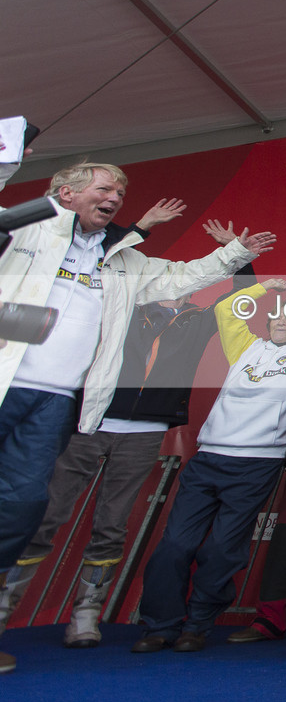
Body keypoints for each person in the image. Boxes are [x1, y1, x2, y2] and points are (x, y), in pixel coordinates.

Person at [0, 163, 271, 674]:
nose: (116, 197)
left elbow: (186, 275)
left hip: (67, 403)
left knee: (23, 505)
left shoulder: (125, 266)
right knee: (37, 515)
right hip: (19, 388)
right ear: (66, 192)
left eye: (120, 192)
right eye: (105, 189)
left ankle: (70, 614)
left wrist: (237, 254)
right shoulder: (29, 234)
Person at [131, 273, 286, 652]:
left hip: (256, 464)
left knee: (222, 550)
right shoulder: (244, 347)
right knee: (174, 546)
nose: (283, 322)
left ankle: (197, 624)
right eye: (277, 317)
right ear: (267, 322)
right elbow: (228, 309)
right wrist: (264, 288)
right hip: (209, 457)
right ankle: (160, 626)